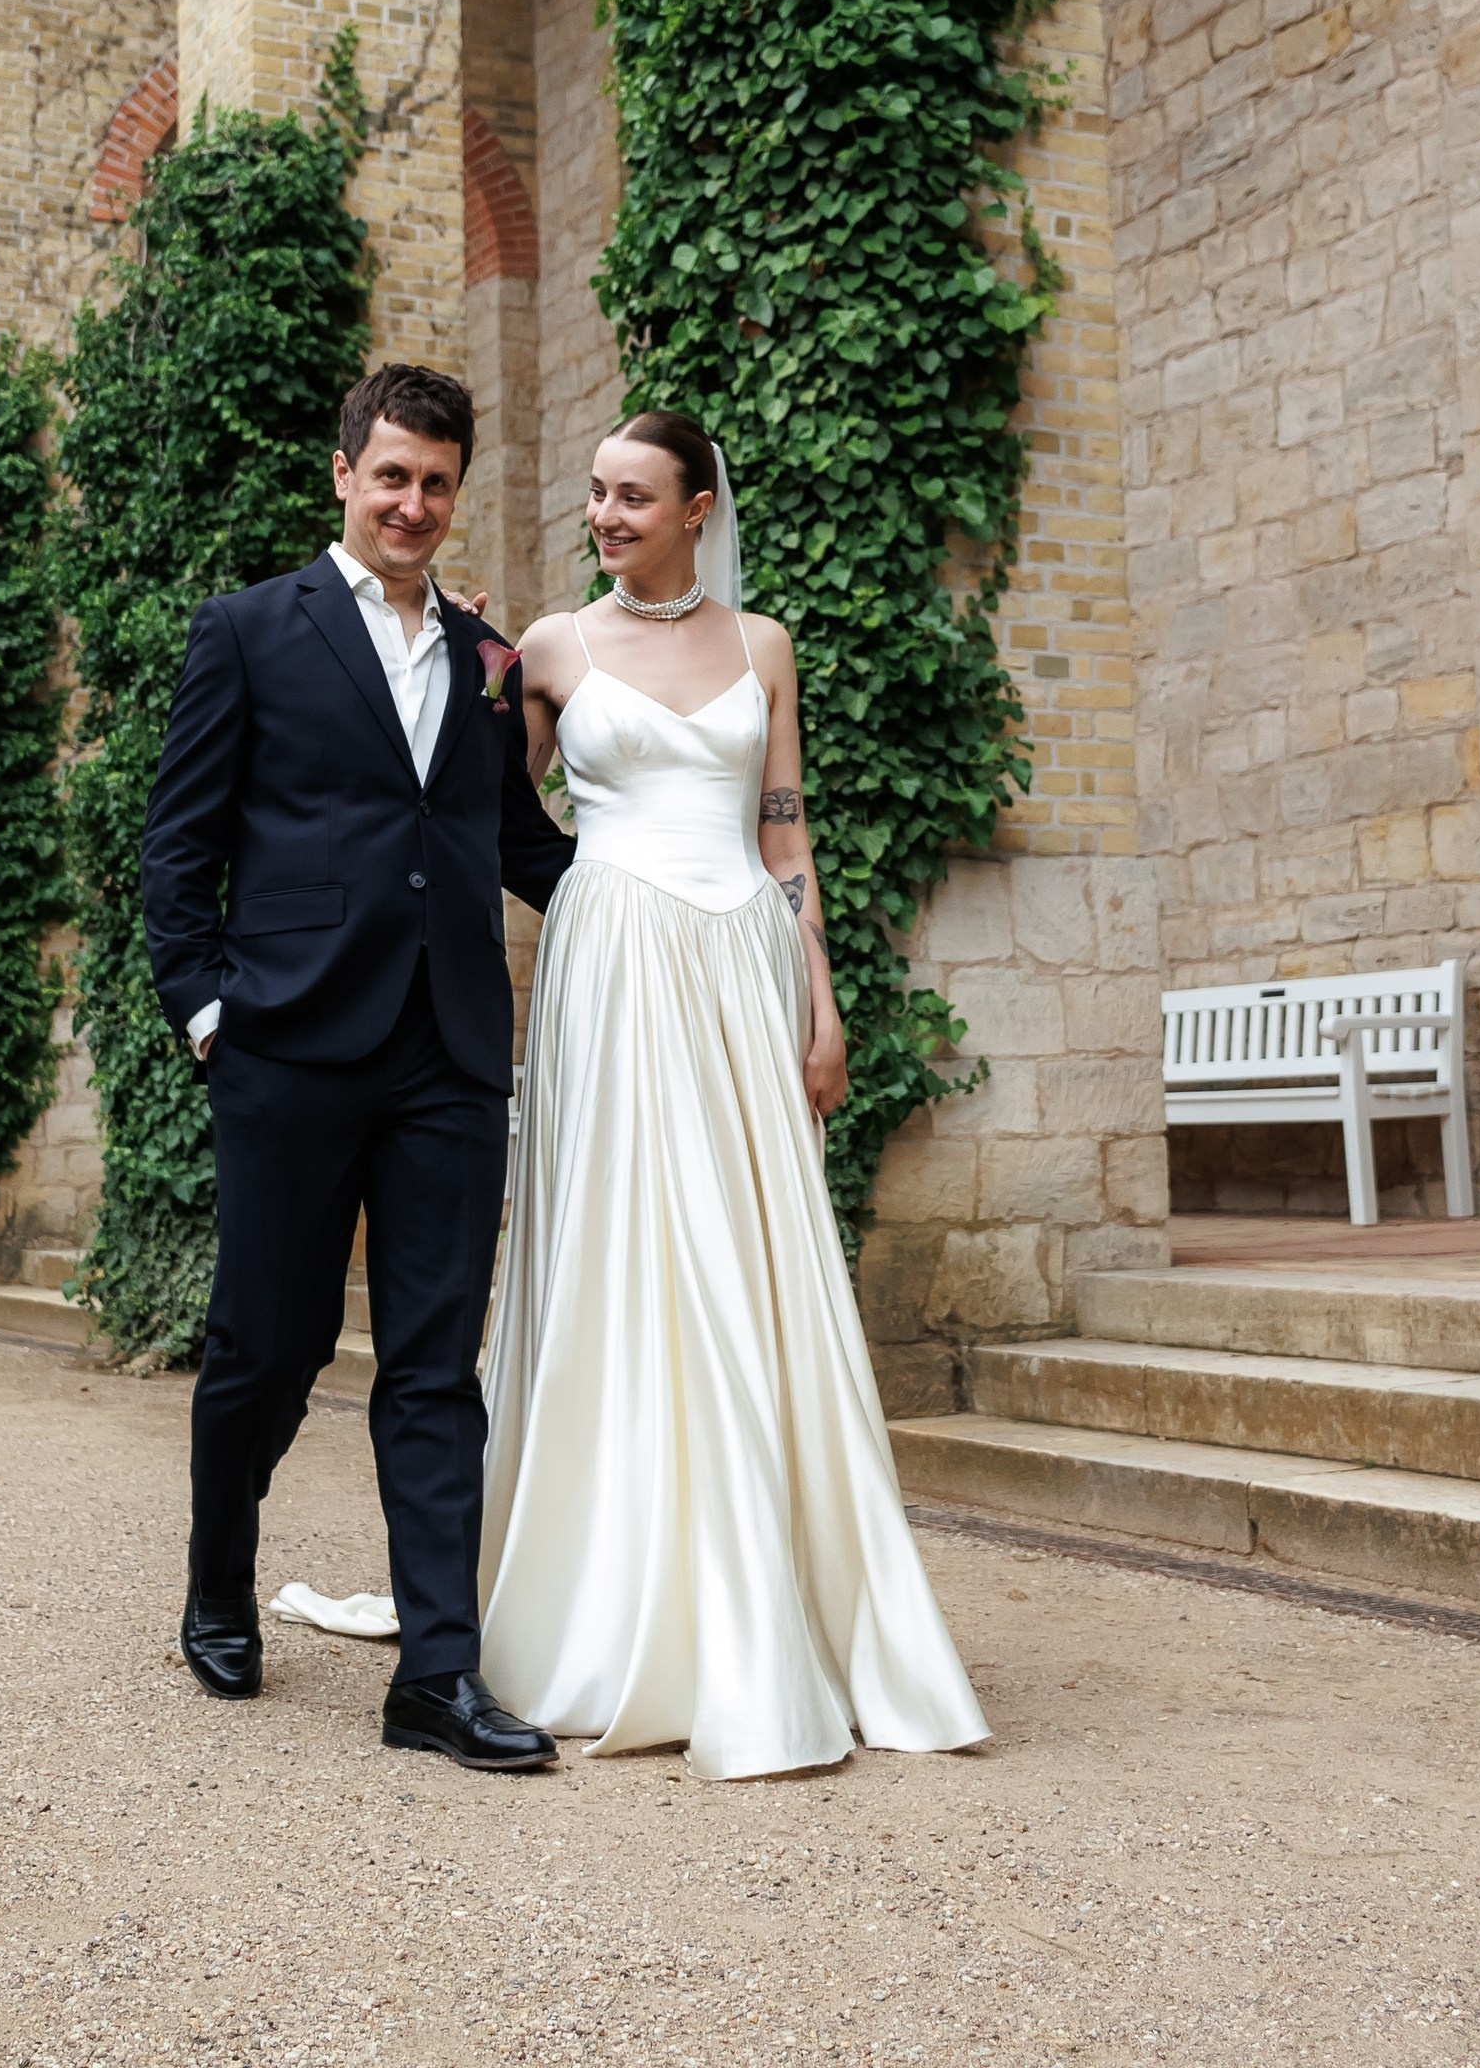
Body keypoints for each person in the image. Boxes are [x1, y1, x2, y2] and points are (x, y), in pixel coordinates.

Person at [478, 412, 990, 1780]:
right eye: (596, 494)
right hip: (618, 962)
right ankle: (618, 1601)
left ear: (698, 506)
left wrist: (818, 1000)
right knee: (634, 1252)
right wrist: (462, 671)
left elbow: (785, 829)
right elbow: (483, 810)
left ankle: (778, 1601)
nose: (606, 514)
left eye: (634, 496)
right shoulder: (550, 648)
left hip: (742, 968)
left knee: (756, 1259)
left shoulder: (764, 648)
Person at [139, 363, 575, 1770]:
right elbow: (177, 845)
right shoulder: (250, 630)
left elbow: (513, 842)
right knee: (270, 1349)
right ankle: (218, 1577)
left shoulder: (486, 655)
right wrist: (210, 1012)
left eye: (438, 482)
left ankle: (435, 1680)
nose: (413, 502)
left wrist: (666, 899)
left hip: (448, 1049)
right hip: (290, 1043)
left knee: (436, 1367)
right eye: (392, 475)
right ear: (345, 474)